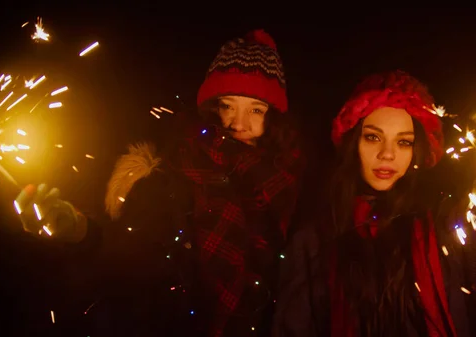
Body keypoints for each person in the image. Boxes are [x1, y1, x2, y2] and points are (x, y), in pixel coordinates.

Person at [15, 29, 305, 337]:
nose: (237, 123)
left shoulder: (289, 182)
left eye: (255, 110)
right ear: (210, 108)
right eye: (226, 105)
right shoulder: (170, 172)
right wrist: (81, 230)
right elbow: (134, 254)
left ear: (273, 116)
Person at [272, 70, 476, 337]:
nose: (387, 154)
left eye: (403, 142)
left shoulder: (441, 226)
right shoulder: (314, 240)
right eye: (373, 137)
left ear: (418, 151)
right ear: (353, 142)